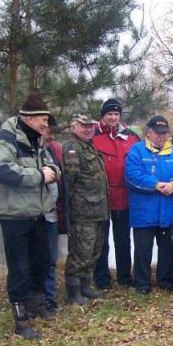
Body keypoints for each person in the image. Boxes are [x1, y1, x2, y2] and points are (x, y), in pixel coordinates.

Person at [0, 92, 59, 339]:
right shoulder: (4, 140)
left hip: (36, 212)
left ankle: (37, 304)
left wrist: (52, 171)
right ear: (29, 118)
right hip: (13, 214)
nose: (46, 125)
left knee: (42, 260)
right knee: (20, 267)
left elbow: (53, 165)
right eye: (43, 120)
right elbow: (4, 173)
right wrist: (40, 175)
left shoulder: (37, 140)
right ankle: (21, 318)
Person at [125, 115, 173, 294]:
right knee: (143, 251)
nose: (162, 136)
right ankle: (142, 283)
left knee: (167, 249)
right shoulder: (137, 150)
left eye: (164, 133)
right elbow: (132, 175)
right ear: (149, 132)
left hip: (168, 212)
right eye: (158, 133)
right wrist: (155, 184)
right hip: (143, 212)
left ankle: (166, 280)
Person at [62, 111, 110, 305]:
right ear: (74, 127)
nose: (88, 129)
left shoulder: (89, 147)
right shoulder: (73, 148)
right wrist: (73, 208)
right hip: (82, 212)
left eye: (91, 126)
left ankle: (85, 286)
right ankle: (73, 293)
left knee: (94, 251)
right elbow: (69, 182)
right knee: (80, 252)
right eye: (83, 126)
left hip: (98, 210)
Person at [92, 98, 140, 290]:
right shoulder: (93, 136)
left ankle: (124, 276)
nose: (113, 118)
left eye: (116, 114)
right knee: (101, 241)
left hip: (125, 196)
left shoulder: (131, 137)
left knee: (123, 239)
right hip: (100, 197)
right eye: (109, 114)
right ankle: (102, 279)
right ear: (103, 116)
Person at [42, 115, 69, 314]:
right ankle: (32, 299)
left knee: (51, 258)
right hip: (32, 214)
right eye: (47, 131)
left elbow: (63, 180)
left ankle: (48, 298)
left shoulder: (56, 149)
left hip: (53, 211)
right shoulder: (26, 150)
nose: (50, 136)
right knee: (35, 258)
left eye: (53, 132)